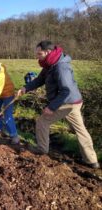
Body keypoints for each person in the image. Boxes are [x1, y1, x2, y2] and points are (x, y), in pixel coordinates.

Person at [17, 40, 100, 169]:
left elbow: (66, 90)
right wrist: (25, 88)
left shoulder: (61, 67)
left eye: (39, 53)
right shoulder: (50, 64)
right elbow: (40, 80)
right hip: (73, 101)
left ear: (48, 52)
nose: (37, 56)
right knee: (80, 130)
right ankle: (92, 161)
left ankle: (42, 149)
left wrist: (51, 107)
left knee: (42, 122)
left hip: (67, 102)